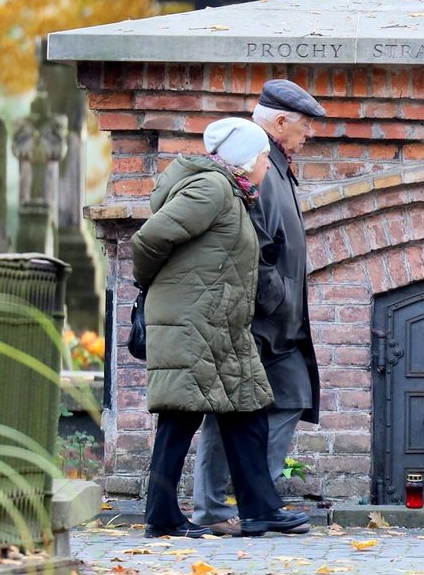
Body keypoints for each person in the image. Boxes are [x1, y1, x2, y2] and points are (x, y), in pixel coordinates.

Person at [133, 116, 310, 538]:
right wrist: (152, 285)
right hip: (195, 321)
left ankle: (260, 509)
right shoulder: (212, 188)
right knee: (180, 418)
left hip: (219, 324)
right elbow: (149, 239)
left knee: (247, 409)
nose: (269, 166)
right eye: (264, 158)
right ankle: (160, 517)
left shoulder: (232, 192)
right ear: (246, 161)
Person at [192, 80, 325, 535]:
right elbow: (255, 244)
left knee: (292, 395)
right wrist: (278, 299)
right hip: (258, 317)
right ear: (280, 121)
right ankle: (212, 509)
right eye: (304, 125)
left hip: (279, 319)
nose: (309, 134)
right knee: (225, 408)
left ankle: (259, 503)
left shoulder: (280, 163)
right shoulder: (257, 159)